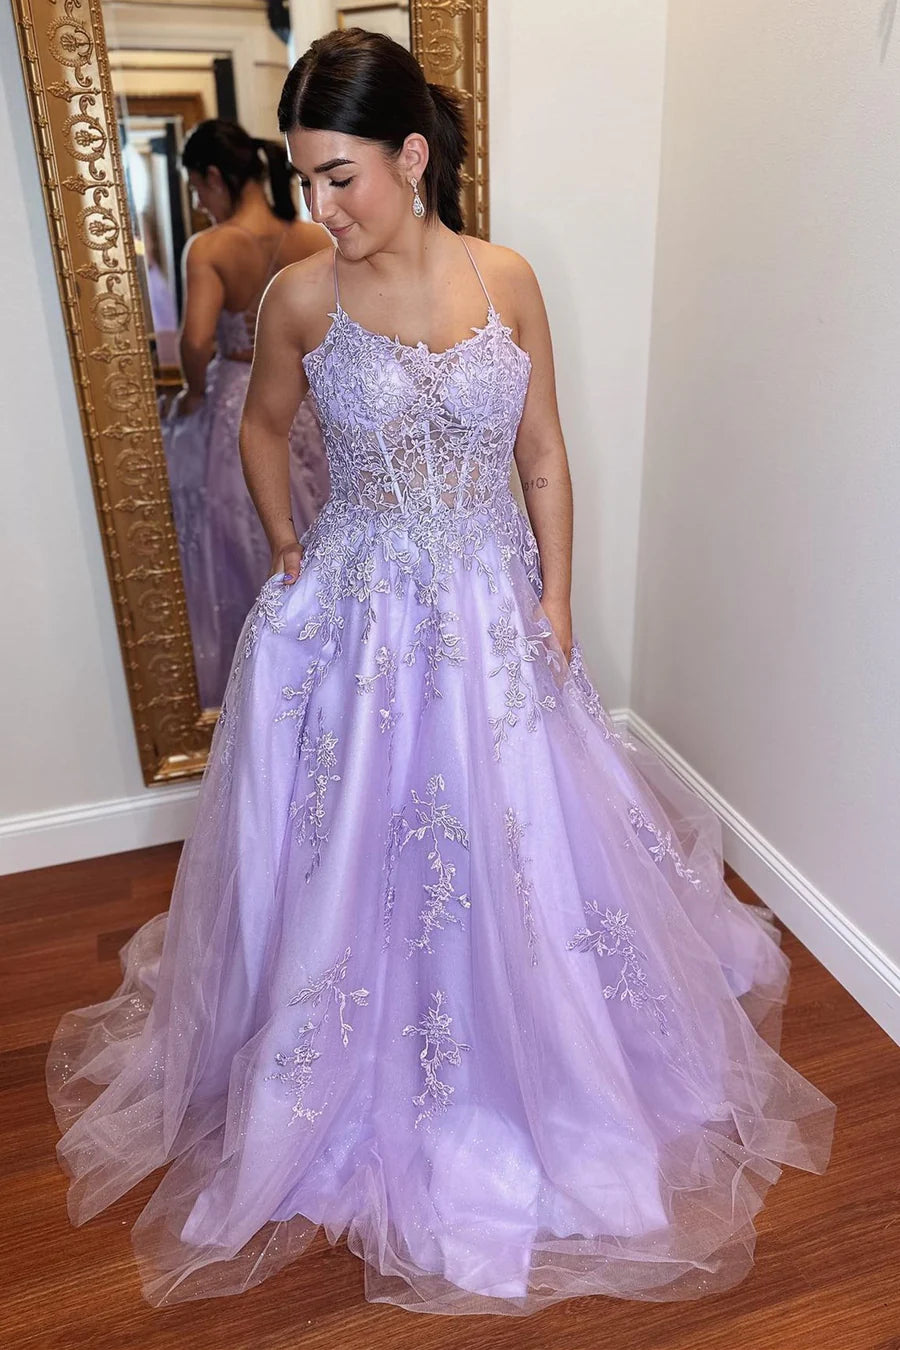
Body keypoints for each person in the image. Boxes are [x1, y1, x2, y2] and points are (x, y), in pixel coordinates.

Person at [46, 29, 835, 1316]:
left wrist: (557, 598)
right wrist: (289, 545)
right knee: (356, 852)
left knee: (514, 839)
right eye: (307, 177)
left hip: (488, 607)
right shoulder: (300, 298)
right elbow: (262, 427)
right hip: (360, 620)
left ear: (411, 158)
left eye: (341, 175)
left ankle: (535, 1069)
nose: (323, 205)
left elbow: (544, 454)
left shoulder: (505, 279)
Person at [162, 118, 331, 707]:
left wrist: (194, 392)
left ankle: (259, 683)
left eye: (197, 190)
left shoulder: (211, 248)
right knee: (320, 521)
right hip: (308, 400)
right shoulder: (313, 238)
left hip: (240, 394)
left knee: (232, 539)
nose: (199, 204)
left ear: (214, 176)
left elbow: (195, 340)